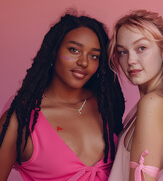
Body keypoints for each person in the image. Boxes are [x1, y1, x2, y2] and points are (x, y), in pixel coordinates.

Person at [0, 13, 125, 180]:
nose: (84, 62)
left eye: (94, 55)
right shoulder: (20, 121)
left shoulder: (106, 105)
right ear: (54, 52)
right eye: (74, 50)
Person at [108, 10, 163, 181]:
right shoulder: (149, 105)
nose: (130, 60)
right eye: (122, 51)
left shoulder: (152, 104)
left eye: (141, 48)